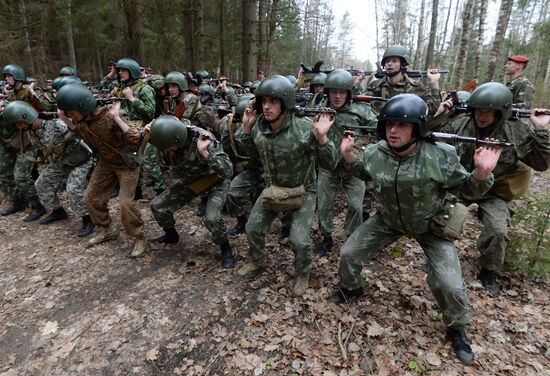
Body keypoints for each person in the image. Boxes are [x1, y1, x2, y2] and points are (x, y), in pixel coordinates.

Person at [331, 94, 503, 364]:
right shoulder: (377, 152)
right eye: (389, 125)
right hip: (388, 220)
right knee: (349, 254)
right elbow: (365, 174)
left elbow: (466, 189)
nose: (393, 131)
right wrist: (349, 157)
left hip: (430, 225)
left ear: (418, 128)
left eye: (402, 125)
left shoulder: (439, 155)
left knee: (450, 285)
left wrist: (481, 173)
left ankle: (457, 328)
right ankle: (352, 288)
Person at [439, 82, 550, 295]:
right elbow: (430, 140)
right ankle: (441, 259)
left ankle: (488, 269)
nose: (483, 115)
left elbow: (540, 163)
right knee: (443, 220)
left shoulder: (514, 131)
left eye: (489, 111)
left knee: (498, 230)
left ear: (501, 112)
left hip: (495, 190)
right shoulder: (461, 125)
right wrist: (441, 114)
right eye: (479, 109)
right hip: (463, 185)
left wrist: (541, 129)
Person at [235, 75, 338, 297]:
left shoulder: (303, 129)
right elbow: (249, 155)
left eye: (273, 101)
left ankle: (303, 272)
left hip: (303, 190)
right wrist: (245, 129)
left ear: (285, 103)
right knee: (252, 227)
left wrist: (322, 138)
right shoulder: (259, 128)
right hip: (274, 189)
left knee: (299, 240)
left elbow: (330, 162)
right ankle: (258, 260)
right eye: (264, 101)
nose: (267, 106)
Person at [56, 83, 148, 257]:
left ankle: (139, 236)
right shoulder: (82, 120)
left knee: (125, 203)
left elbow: (136, 139)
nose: (70, 116)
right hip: (107, 163)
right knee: (91, 197)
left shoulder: (111, 115)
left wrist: (117, 118)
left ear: (82, 106)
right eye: (67, 112)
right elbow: (78, 131)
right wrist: (65, 118)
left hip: (127, 164)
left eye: (71, 112)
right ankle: (107, 229)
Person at [146, 115, 236, 268]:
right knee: (158, 205)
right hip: (193, 179)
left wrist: (204, 152)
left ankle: (225, 248)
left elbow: (227, 170)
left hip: (216, 179)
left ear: (177, 139)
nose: (167, 151)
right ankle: (171, 235)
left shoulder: (203, 138)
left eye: (168, 147)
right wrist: (151, 132)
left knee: (212, 218)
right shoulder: (168, 136)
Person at [3, 101, 95, 237]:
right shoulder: (31, 132)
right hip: (61, 161)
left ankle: (88, 218)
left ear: (26, 117)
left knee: (73, 189)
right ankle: (58, 211)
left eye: (18, 122)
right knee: (41, 184)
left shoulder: (56, 125)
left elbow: (81, 132)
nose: (18, 127)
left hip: (79, 159)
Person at [315, 69, 378, 256]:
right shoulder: (320, 111)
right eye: (333, 91)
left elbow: (377, 132)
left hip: (352, 167)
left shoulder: (361, 111)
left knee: (356, 206)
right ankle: (326, 237)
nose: (337, 96)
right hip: (328, 167)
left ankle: (351, 237)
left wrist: (360, 148)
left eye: (341, 92)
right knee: (324, 204)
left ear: (349, 93)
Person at [0, 64, 52, 221]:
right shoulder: (10, 94)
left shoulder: (27, 91)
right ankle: (19, 200)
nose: (6, 79)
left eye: (9, 76)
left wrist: (33, 92)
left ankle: (38, 205)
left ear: (17, 77)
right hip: (13, 138)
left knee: (21, 175)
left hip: (28, 136)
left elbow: (45, 108)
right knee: (6, 173)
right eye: (6, 77)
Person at [219, 93, 263, 236]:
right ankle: (241, 222)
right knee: (231, 192)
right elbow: (226, 150)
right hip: (253, 168)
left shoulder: (267, 126)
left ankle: (286, 227)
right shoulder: (232, 125)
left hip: (273, 169)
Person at [366, 45, 441, 115]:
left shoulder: (415, 87)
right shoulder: (374, 86)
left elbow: (432, 111)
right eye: (387, 61)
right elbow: (363, 107)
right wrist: (357, 86)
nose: (389, 64)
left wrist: (434, 84)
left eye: (394, 61)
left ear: (402, 64)